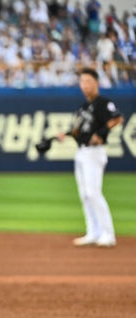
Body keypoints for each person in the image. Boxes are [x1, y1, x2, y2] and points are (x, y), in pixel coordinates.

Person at [57, 68, 123, 247]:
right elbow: (78, 129)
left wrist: (100, 133)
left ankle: (108, 234)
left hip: (95, 152)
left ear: (96, 83)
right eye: (82, 82)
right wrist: (66, 134)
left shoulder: (103, 102)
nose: (84, 85)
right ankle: (93, 232)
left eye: (88, 81)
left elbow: (117, 118)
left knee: (94, 193)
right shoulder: (83, 107)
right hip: (81, 152)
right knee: (85, 194)